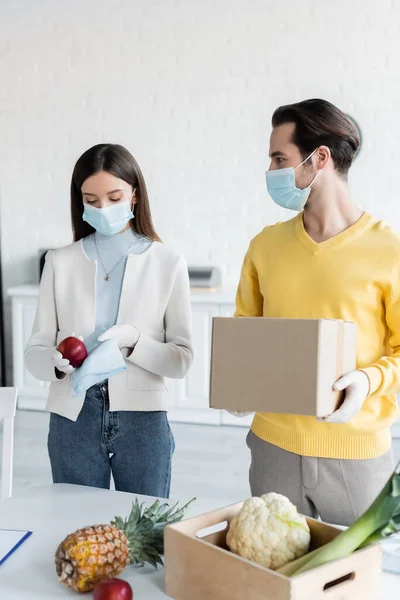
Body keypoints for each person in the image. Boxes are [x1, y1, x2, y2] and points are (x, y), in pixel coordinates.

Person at [234, 99, 399, 525]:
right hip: (272, 450)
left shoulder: (389, 252)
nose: (271, 170)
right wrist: (237, 383)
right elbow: (244, 335)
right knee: (274, 581)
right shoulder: (264, 246)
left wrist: (367, 380)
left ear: (319, 158)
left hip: (356, 459)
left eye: (279, 158)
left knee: (358, 586)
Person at [25, 143, 193, 497]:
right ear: (80, 201)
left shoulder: (168, 263)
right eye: (91, 200)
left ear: (134, 195)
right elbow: (35, 351)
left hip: (143, 419)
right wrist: (54, 364)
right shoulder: (60, 262)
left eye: (114, 197)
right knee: (76, 528)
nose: (103, 208)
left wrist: (135, 342)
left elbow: (181, 361)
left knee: (147, 530)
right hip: (73, 415)